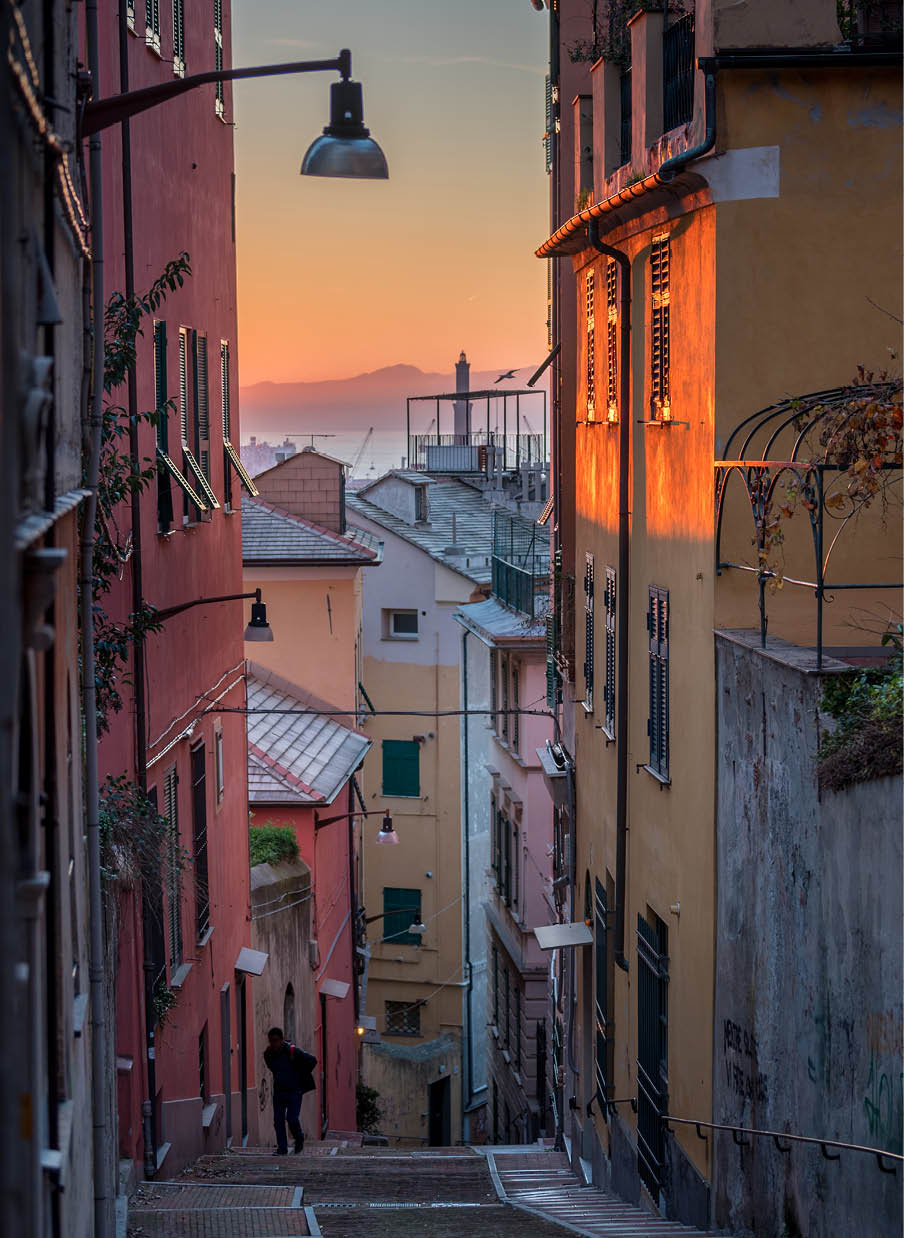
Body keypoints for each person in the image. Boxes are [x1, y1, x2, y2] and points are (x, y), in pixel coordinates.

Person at [263, 1026, 317, 1155]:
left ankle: (299, 1138)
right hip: (279, 1092)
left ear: (281, 1040)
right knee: (278, 1120)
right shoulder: (268, 1054)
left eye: (276, 1040)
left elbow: (312, 1061)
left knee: (292, 1118)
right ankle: (282, 1149)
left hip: (294, 1091)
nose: (273, 1043)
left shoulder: (292, 1051)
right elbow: (272, 1067)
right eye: (271, 1040)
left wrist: (299, 1074)